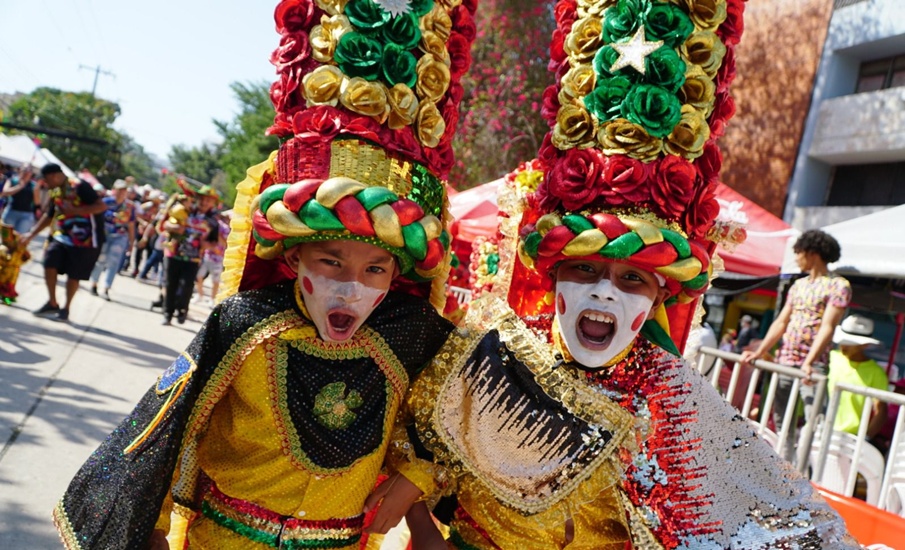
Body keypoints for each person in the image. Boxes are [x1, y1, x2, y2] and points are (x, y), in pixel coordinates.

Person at [388, 0, 858, 546]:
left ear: (659, 294)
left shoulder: (672, 398)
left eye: (632, 278)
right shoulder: (494, 345)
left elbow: (779, 527)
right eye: (585, 269)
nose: (605, 293)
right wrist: (424, 527)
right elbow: (416, 447)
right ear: (555, 279)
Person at [52, 0, 478, 548]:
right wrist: (154, 533)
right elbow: (168, 431)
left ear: (397, 273)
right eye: (331, 261)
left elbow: (454, 416)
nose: (352, 286)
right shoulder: (243, 323)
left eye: (375, 268)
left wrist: (415, 486)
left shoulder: (409, 331)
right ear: (293, 257)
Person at [741, 229, 851, 462]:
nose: (797, 258)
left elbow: (827, 327)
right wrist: (760, 351)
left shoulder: (839, 285)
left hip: (812, 367)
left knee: (813, 423)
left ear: (812, 253)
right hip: (786, 361)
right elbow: (781, 321)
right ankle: (784, 467)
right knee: (783, 419)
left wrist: (809, 362)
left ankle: (804, 472)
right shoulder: (798, 285)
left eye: (799, 253)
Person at [19, 163, 107, 321]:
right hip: (62, 236)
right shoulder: (56, 191)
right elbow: (49, 215)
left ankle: (66, 309)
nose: (45, 183)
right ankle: (52, 303)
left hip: (86, 240)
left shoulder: (80, 186)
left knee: (74, 275)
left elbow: (101, 206)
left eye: (46, 179)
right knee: (49, 262)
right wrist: (31, 234)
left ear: (54, 175)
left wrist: (76, 211)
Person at [159, 186, 218, 325]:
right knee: (170, 284)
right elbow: (164, 223)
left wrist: (206, 244)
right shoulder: (185, 210)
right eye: (202, 199)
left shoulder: (213, 221)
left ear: (212, 203)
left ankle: (182, 310)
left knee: (187, 286)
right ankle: (167, 313)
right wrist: (173, 228)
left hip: (193, 258)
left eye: (208, 200)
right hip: (173, 253)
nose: (204, 202)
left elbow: (214, 241)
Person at [827, 314, 889, 437]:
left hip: (850, 438)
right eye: (843, 341)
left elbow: (881, 410)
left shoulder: (876, 373)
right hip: (820, 428)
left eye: (850, 342)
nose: (844, 345)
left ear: (865, 345)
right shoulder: (831, 357)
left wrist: (865, 438)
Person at [89, 179, 137, 300]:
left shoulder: (129, 206)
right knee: (101, 259)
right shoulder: (105, 202)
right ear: (115, 190)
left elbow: (131, 225)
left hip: (120, 236)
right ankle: (94, 283)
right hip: (104, 235)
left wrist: (132, 242)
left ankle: (106, 287)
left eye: (124, 190)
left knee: (114, 261)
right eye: (120, 190)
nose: (122, 193)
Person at [192, 211, 228, 306]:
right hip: (207, 256)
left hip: (218, 259)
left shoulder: (224, 228)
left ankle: (212, 299)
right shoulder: (210, 225)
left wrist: (219, 235)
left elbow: (225, 243)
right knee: (198, 276)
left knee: (215, 280)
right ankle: (200, 295)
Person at [1, 165, 40, 234]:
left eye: (29, 170)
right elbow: (5, 192)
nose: (26, 172)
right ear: (20, 170)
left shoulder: (34, 185)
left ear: (31, 173)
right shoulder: (12, 180)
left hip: (26, 215)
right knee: (7, 237)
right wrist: (20, 186)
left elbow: (37, 203)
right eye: (25, 169)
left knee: (19, 237)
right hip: (11, 211)